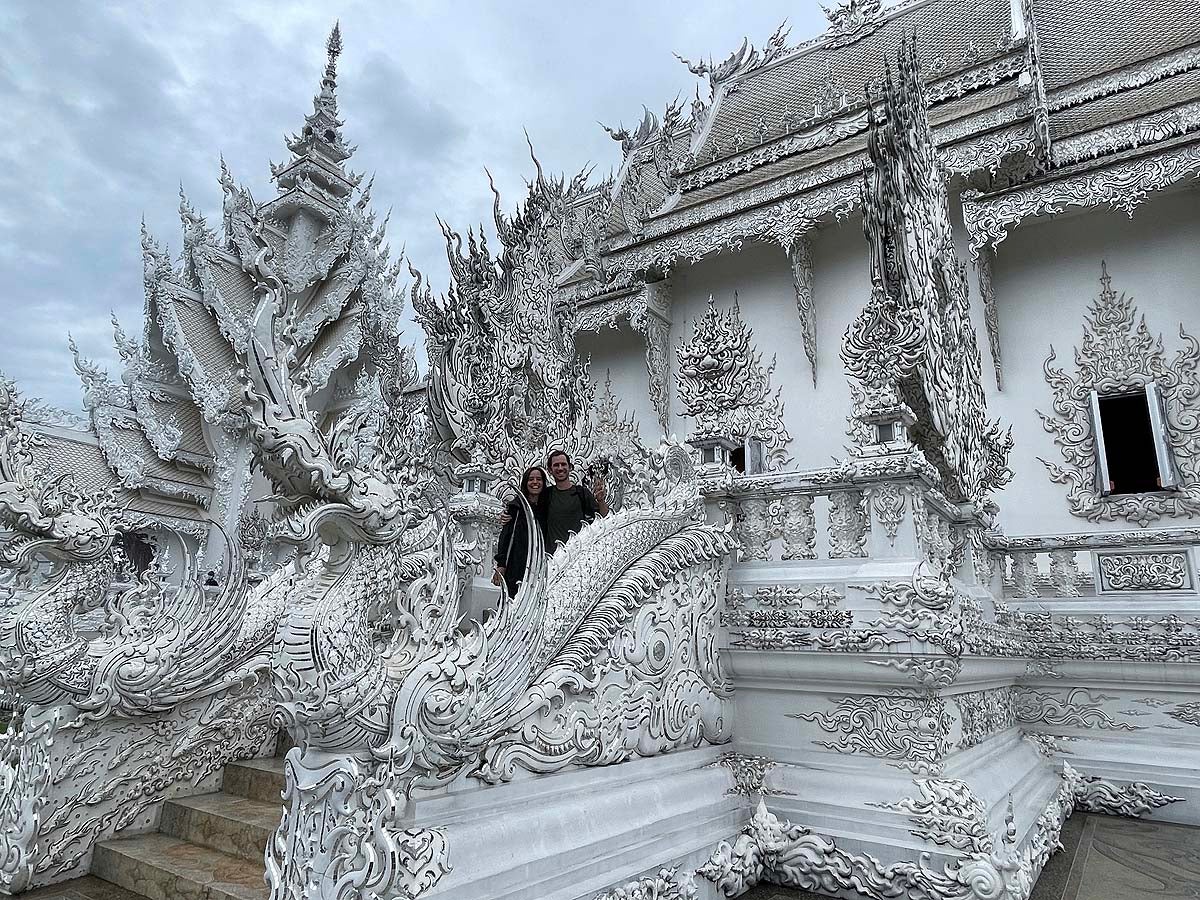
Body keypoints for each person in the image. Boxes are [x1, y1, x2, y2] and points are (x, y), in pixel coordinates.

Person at [492, 466, 547, 598]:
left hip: (540, 562)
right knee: (512, 598)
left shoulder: (547, 506)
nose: (535, 482)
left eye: (539, 479)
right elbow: (506, 537)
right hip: (517, 562)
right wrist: (501, 565)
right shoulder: (516, 506)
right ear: (525, 483)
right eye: (531, 479)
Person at [540, 449, 608, 553]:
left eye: (563, 464)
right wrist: (507, 515)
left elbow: (603, 518)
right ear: (550, 470)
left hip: (577, 555)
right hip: (553, 558)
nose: (560, 468)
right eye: (556, 465)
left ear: (570, 467)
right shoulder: (545, 495)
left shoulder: (582, 493)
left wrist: (601, 501)